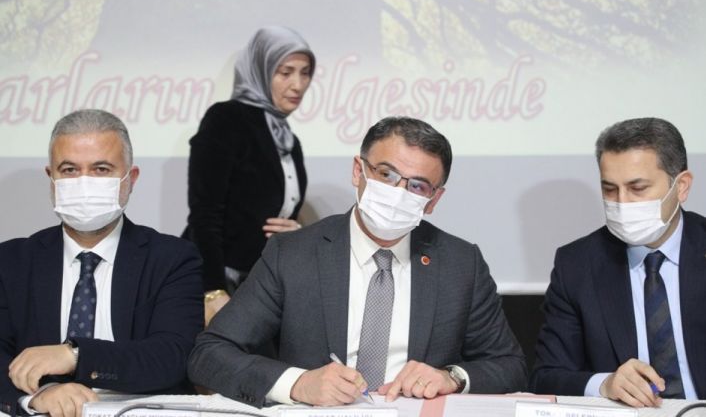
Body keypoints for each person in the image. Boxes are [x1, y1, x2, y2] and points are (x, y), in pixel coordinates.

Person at [188, 116, 526, 407]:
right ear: (358, 170)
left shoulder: (460, 263)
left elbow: (510, 365)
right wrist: (298, 383)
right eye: (387, 174)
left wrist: (451, 377)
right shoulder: (292, 254)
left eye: (418, 186)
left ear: (434, 200)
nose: (398, 193)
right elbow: (210, 354)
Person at [0, 110, 204, 416]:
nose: (84, 182)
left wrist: (76, 355)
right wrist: (38, 395)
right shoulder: (11, 261)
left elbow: (174, 355)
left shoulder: (172, 258)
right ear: (51, 178)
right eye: (69, 169)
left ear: (130, 178)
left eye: (101, 169)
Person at [530, 118, 706, 407]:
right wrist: (604, 384)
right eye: (610, 189)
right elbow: (546, 376)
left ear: (682, 186)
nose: (622, 203)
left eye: (638, 188)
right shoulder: (577, 264)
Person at [182, 26, 315, 325]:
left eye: (305, 73)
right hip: (218, 283)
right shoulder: (226, 119)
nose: (298, 85)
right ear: (260, 71)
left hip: (262, 283)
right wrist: (213, 291)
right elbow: (205, 214)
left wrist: (296, 233)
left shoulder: (288, 139)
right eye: (285, 72)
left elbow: (278, 213)